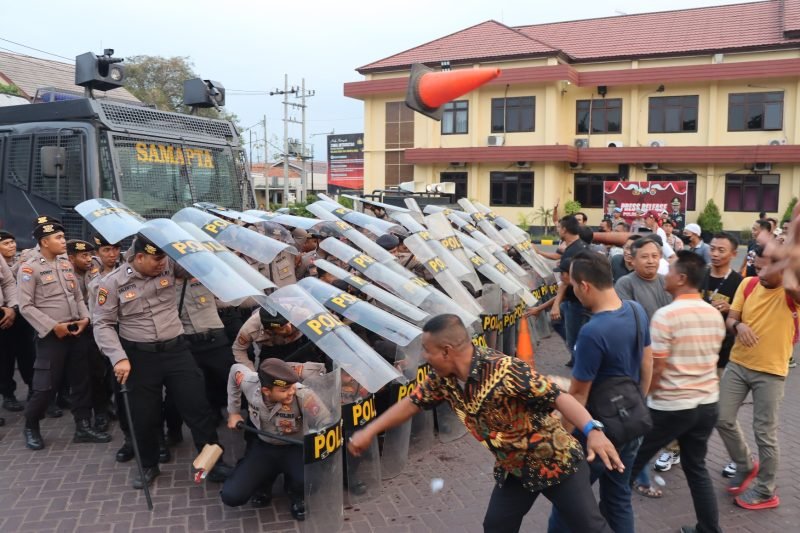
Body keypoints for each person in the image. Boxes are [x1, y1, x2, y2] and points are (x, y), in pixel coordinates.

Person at [348, 314, 623, 533]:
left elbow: (559, 397)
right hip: (514, 470)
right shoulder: (442, 379)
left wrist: (593, 431)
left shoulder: (506, 370)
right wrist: (370, 430)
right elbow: (412, 403)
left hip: (556, 462)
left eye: (427, 351)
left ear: (446, 351)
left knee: (590, 527)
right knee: (496, 526)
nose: (424, 358)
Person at [92, 234, 230, 489]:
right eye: (156, 259)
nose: (161, 263)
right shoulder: (111, 283)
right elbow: (102, 324)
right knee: (144, 415)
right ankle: (148, 465)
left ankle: (213, 462)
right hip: (138, 357)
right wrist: (118, 357)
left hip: (177, 351)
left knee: (197, 407)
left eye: (164, 257)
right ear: (139, 257)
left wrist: (195, 245)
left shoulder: (169, 265)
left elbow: (202, 268)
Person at [547, 251, 652, 533]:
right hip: (631, 424)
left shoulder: (593, 332)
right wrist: (637, 403)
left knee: (569, 503)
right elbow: (647, 362)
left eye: (573, 287)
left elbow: (579, 395)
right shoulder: (635, 310)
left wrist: (563, 438)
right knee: (618, 499)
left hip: (597, 433)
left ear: (585, 286)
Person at [630, 251, 725, 533]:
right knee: (696, 468)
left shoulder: (666, 315)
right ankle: (709, 529)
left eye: (669, 270)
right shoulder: (713, 313)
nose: (664, 274)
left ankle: (602, 521)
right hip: (707, 404)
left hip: (671, 405)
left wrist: (645, 400)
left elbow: (656, 369)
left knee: (629, 466)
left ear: (682, 278)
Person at [715, 244, 799, 510]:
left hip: (771, 371)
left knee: (765, 432)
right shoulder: (749, 284)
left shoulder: (792, 293)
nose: (760, 272)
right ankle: (745, 464)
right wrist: (738, 326)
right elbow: (731, 317)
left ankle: (766, 491)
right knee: (722, 417)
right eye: (758, 265)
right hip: (739, 364)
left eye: (768, 267)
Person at [17, 216, 111, 450]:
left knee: (81, 383)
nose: (63, 240)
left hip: (76, 331)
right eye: (58, 237)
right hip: (51, 337)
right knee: (45, 386)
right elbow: (25, 306)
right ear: (44, 242)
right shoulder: (30, 268)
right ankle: (31, 425)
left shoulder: (64, 263)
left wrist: (86, 318)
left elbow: (77, 296)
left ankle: (82, 427)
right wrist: (52, 326)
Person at [221, 358, 325, 520]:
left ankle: (296, 494)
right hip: (265, 446)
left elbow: (325, 420)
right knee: (232, 496)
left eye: (291, 387)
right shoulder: (250, 382)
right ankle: (263, 484)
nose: (291, 392)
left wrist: (316, 441)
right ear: (266, 390)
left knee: (312, 482)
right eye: (284, 390)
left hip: (295, 447)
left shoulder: (302, 394)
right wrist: (233, 411)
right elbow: (235, 370)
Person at [702, 233, 744, 479]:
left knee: (722, 412)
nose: (715, 254)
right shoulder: (699, 276)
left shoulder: (740, 283)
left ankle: (738, 458)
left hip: (722, 355)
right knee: (687, 402)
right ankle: (673, 449)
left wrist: (733, 310)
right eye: (713, 249)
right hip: (695, 353)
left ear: (733, 254)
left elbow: (746, 319)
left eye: (721, 250)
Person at [0, 230, 34, 412]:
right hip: (3, 315)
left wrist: (12, 308)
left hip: (17, 313)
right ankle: (8, 394)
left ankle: (33, 388)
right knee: (4, 359)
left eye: (12, 242)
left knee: (27, 353)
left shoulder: (24, 259)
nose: (12, 246)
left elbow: (8, 284)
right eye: (6, 243)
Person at [549, 215, 589, 366]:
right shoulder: (575, 247)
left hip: (576, 301)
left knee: (574, 338)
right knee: (556, 322)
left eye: (559, 227)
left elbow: (565, 282)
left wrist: (555, 305)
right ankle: (577, 355)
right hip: (572, 300)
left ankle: (580, 364)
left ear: (564, 229)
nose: (558, 230)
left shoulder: (575, 250)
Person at [614, 237, 673, 319]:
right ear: (633, 260)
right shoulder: (625, 284)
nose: (650, 261)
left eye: (654, 256)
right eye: (644, 257)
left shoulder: (668, 281)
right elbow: (625, 317)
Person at [232, 307, 310, 369]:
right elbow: (238, 349)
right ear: (269, 330)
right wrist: (250, 372)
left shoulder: (302, 314)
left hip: (299, 344)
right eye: (282, 328)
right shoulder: (249, 329)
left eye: (289, 323)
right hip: (271, 349)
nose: (289, 329)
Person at [0, 247, 19, 426]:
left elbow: (7, 283)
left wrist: (12, 307)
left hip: (2, 313)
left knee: (4, 361)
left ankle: (8, 394)